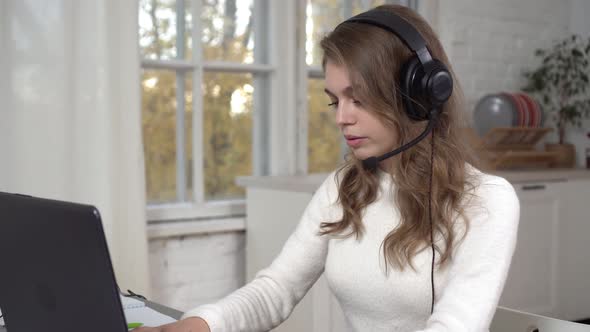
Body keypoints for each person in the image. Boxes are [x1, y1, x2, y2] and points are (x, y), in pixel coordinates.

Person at [135, 4, 519, 332]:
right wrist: (199, 324)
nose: (342, 119)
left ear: (417, 95)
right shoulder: (345, 186)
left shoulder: (487, 201)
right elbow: (276, 289)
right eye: (336, 101)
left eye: (360, 98)